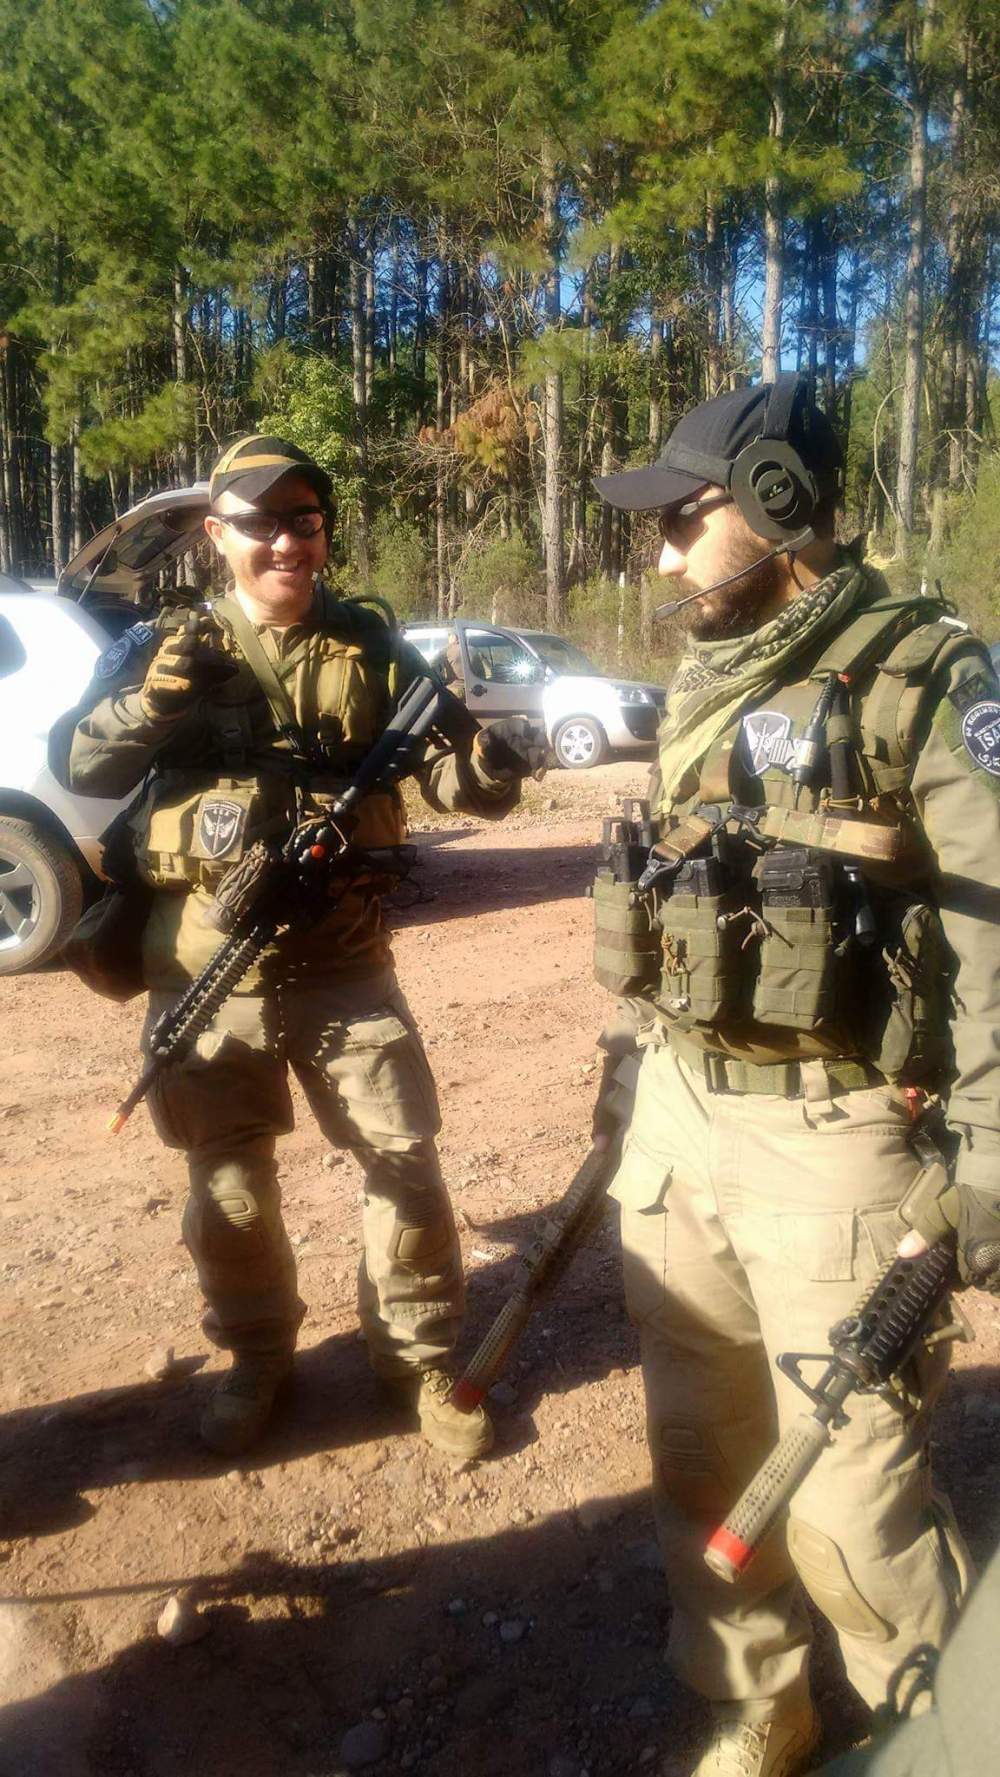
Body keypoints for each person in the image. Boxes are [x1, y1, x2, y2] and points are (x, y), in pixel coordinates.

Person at [591, 376, 1000, 1776]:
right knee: (699, 1446)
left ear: (775, 504)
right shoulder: (713, 667)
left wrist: (989, 1146)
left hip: (836, 1139)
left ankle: (937, 1737)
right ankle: (758, 1700)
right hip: (681, 1117)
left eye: (680, 521)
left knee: (850, 1508)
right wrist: (634, 1065)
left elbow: (995, 924)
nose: (661, 559)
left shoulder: (929, 677)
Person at [50, 435, 548, 1461]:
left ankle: (416, 1360)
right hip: (205, 961)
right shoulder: (166, 643)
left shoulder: (372, 647)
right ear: (216, 534)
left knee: (403, 1162)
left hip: (343, 956)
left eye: (305, 520)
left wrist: (492, 768)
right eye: (261, 522)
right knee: (228, 1184)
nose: (286, 540)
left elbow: (446, 774)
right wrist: (154, 702)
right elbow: (79, 762)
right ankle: (256, 1358)